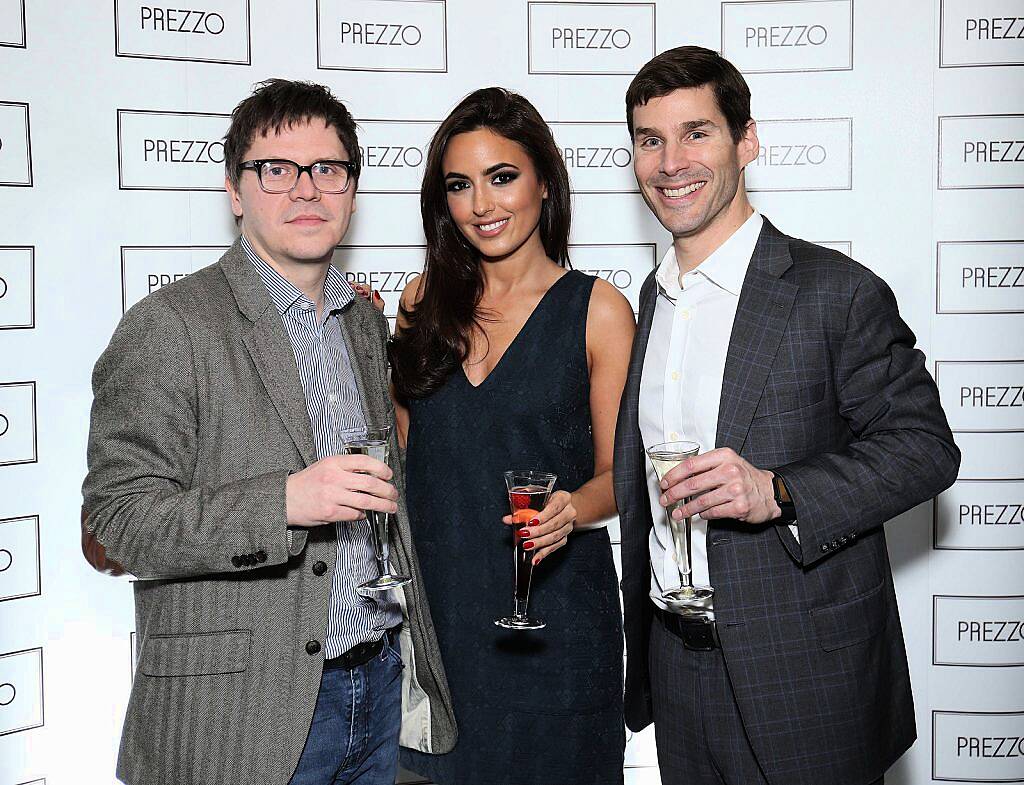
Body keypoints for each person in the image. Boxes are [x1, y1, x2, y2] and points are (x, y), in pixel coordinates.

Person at [81, 78, 455, 785]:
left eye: (329, 169)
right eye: (276, 170)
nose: (307, 190)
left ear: (352, 188)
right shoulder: (171, 325)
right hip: (238, 714)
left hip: (374, 688)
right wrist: (283, 501)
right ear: (233, 190)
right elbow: (119, 520)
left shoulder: (362, 323)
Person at [613, 46, 960, 785]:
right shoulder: (652, 298)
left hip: (804, 672)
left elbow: (926, 448)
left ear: (747, 141)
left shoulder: (833, 291)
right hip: (675, 668)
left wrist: (778, 490)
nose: (671, 161)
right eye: (650, 140)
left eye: (696, 133)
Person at [387, 87, 635, 785]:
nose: (482, 205)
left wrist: (573, 510)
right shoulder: (419, 301)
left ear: (544, 181)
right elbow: (403, 462)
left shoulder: (598, 310)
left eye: (502, 177)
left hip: (553, 626)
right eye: (460, 186)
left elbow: (624, 473)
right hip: (439, 623)